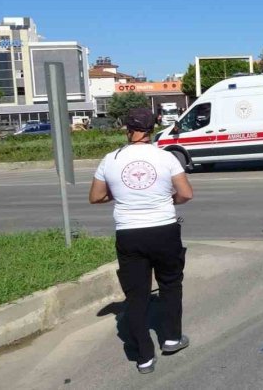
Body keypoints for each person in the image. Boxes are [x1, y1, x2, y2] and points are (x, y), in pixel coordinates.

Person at [89, 107, 194, 374]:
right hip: (163, 229)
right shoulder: (165, 157)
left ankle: (144, 357)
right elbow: (186, 194)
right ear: (151, 130)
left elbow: (95, 197)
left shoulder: (110, 159)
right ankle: (171, 338)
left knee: (136, 295)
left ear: (127, 129)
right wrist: (168, 200)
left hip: (129, 233)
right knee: (170, 285)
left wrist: (120, 195)